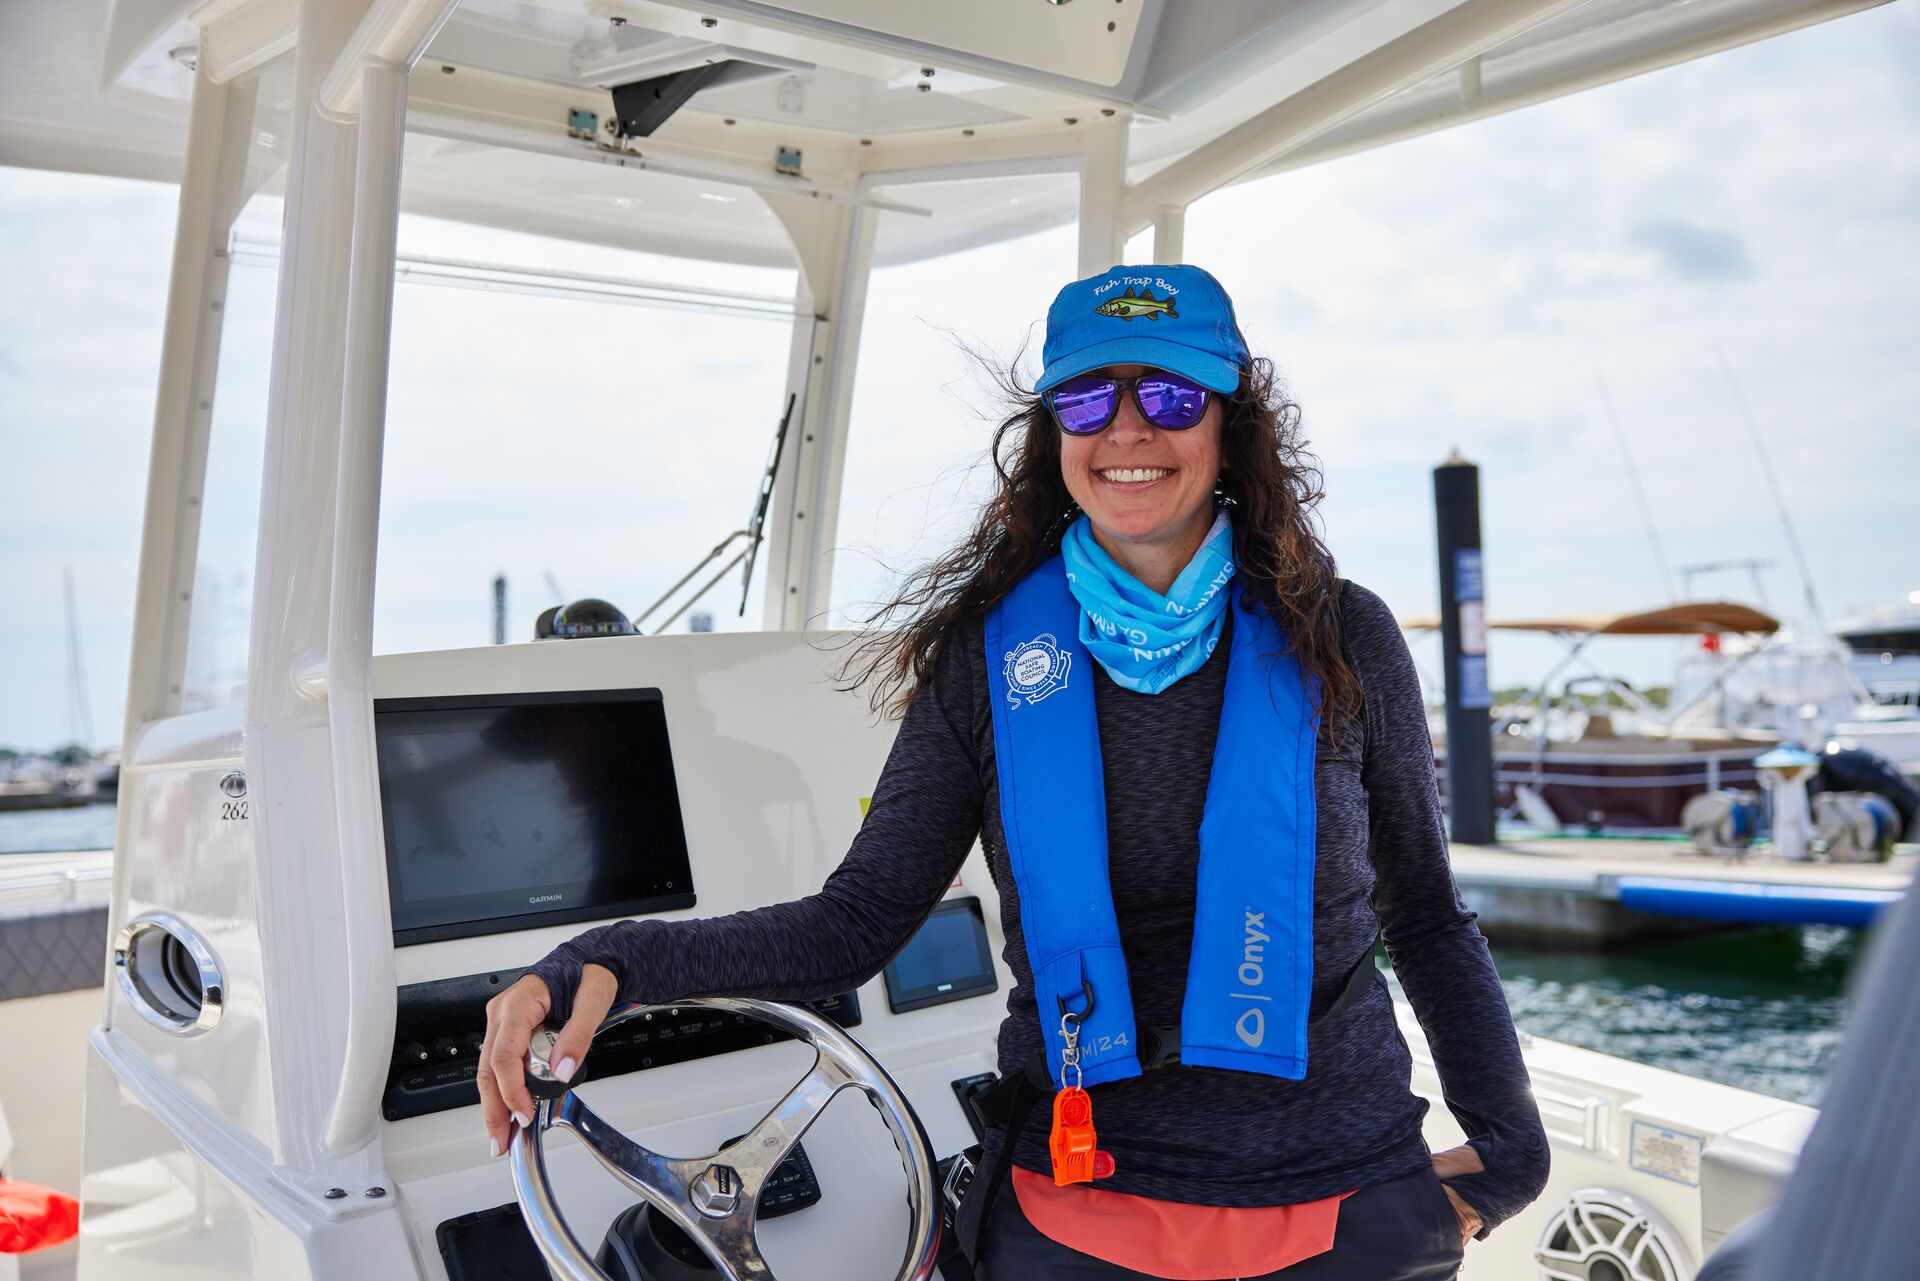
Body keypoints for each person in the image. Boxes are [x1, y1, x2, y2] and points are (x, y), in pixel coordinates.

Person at [477, 263, 1549, 1279]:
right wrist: (602, 961)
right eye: (1086, 399)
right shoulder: (986, 659)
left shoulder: (1342, 635)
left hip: (1345, 1206)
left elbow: (1425, 916)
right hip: (1081, 1207)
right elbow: (855, 924)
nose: (1127, 429)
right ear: (1053, 432)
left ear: (1230, 424)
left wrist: (1509, 1157)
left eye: (1171, 394)